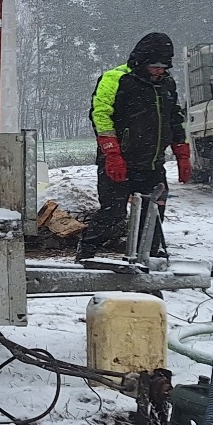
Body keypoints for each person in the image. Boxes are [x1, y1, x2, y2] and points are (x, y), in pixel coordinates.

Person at [78, 31, 192, 260]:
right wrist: (112, 153)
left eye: (164, 67)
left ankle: (147, 255)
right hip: (119, 160)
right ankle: (87, 250)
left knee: (154, 211)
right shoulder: (115, 79)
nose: (160, 71)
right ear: (142, 62)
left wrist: (182, 153)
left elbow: (174, 117)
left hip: (152, 163)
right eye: (155, 66)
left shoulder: (167, 84)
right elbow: (100, 115)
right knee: (114, 214)